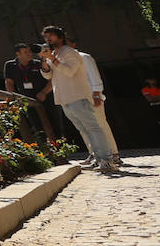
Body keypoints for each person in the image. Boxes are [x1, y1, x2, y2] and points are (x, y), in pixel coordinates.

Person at [38, 25, 116, 172]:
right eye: (46, 37)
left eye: (51, 36)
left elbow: (70, 71)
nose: (48, 39)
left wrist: (52, 59)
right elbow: (48, 75)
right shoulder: (52, 54)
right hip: (64, 99)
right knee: (84, 130)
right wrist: (44, 61)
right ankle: (98, 158)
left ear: (60, 37)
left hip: (78, 96)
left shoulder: (70, 52)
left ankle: (107, 160)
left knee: (93, 128)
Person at [69, 38, 120, 168]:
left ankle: (113, 154)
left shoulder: (84, 57)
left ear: (73, 44)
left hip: (91, 97)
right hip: (76, 98)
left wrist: (96, 94)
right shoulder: (63, 60)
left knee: (101, 125)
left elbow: (94, 76)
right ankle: (93, 153)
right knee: (84, 127)